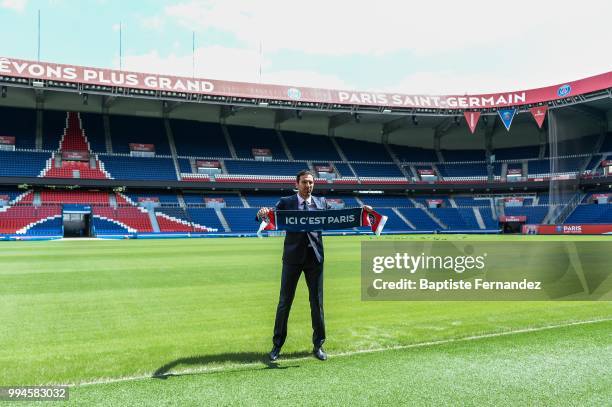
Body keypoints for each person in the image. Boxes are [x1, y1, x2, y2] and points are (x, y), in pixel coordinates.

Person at [257, 169, 372, 361]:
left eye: (310, 182)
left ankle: (318, 345)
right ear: (297, 184)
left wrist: (361, 212)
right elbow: (269, 217)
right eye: (304, 182)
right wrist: (261, 213)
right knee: (285, 303)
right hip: (292, 259)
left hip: (315, 259)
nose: (308, 185)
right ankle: (277, 346)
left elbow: (339, 217)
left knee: (317, 303)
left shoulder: (322, 203)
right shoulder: (286, 202)